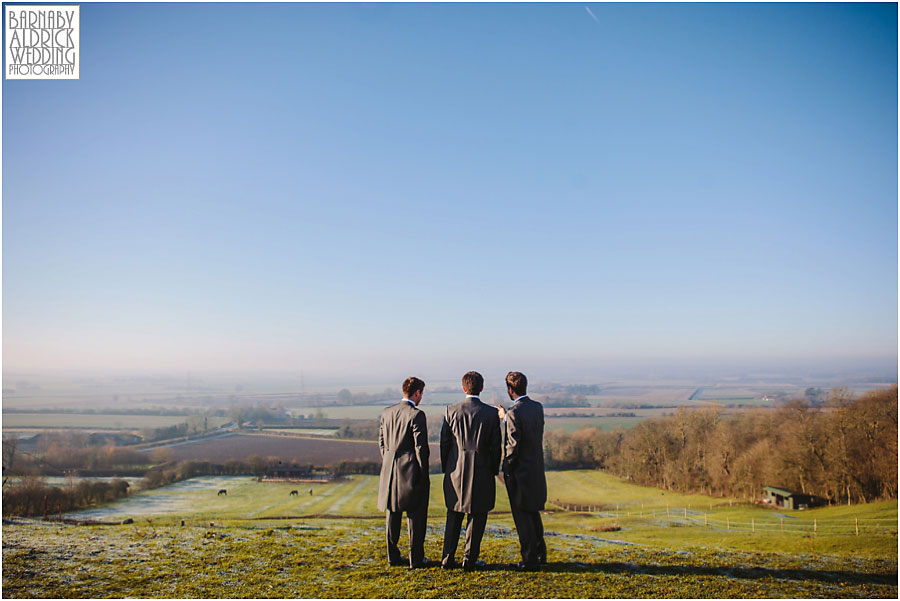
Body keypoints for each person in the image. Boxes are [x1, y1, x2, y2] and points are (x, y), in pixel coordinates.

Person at [440, 371, 502, 571]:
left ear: (463, 387)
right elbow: (496, 446)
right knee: (478, 515)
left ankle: (448, 558)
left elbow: (444, 444)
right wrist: (493, 469)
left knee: (453, 514)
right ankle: (470, 559)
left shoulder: (451, 411)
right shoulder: (491, 414)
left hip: (455, 470)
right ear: (481, 388)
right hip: (482, 470)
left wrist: (447, 468)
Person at [496, 371, 547, 571]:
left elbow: (513, 444)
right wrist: (506, 418)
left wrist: (506, 466)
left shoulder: (514, 412)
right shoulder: (537, 407)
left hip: (520, 472)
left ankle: (529, 559)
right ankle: (540, 553)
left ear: (510, 389)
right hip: (536, 468)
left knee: (522, 517)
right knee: (533, 513)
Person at [377, 376, 430, 568]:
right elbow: (421, 448)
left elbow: (382, 442)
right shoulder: (417, 415)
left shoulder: (386, 412)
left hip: (389, 469)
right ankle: (415, 558)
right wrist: (423, 472)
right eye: (421, 393)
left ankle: (393, 556)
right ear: (417, 393)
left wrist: (389, 460)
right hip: (411, 470)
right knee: (415, 515)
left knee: (392, 513)